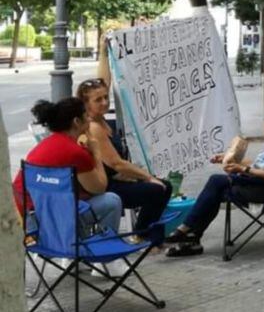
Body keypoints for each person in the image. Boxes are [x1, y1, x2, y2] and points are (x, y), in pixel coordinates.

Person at [163, 100, 264, 257]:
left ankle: (186, 229)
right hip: (262, 184)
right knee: (215, 193)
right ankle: (192, 239)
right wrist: (231, 159)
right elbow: (258, 165)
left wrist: (242, 169)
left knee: (216, 181)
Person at [12, 98, 123, 237]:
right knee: (111, 200)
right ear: (77, 121)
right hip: (53, 225)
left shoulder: (44, 144)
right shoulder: (75, 152)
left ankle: (83, 246)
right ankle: (105, 246)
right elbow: (99, 187)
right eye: (86, 116)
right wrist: (96, 153)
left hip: (28, 221)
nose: (89, 119)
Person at [78, 78, 171, 240]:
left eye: (106, 97)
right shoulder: (93, 127)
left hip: (116, 179)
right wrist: (147, 177)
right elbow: (116, 163)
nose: (105, 102)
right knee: (159, 188)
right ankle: (143, 236)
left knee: (164, 185)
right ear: (86, 104)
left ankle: (147, 236)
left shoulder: (102, 121)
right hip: (105, 187)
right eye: (98, 100)